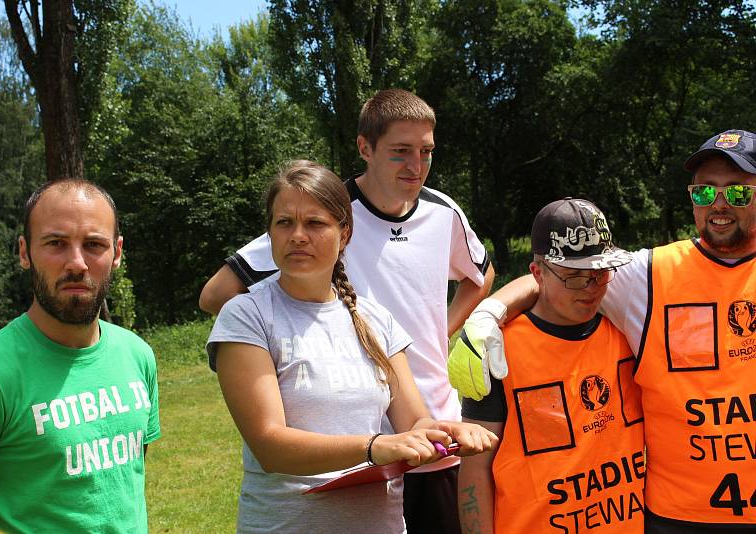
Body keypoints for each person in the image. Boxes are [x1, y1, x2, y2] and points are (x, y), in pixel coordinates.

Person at [200, 89, 493, 531]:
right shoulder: (253, 310)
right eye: (285, 223)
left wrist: (450, 423)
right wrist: (376, 444)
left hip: (397, 474)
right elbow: (270, 443)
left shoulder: (378, 315)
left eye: (426, 151)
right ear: (365, 148)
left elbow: (481, 276)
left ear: (343, 234)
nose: (299, 235)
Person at [453, 129, 756, 532]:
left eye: (737, 193)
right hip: (677, 518)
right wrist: (489, 312)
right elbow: (564, 274)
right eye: (704, 193)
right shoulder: (649, 275)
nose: (718, 205)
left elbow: (573, 272)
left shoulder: (617, 283)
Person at [0, 179, 161, 533]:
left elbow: (123, 482)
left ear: (116, 253)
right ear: (25, 252)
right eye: (56, 243)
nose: (77, 263)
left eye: (94, 244)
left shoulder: (138, 356)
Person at [454, 198, 645, 533]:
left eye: (600, 273)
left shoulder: (626, 326)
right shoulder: (499, 350)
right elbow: (475, 467)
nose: (591, 288)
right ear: (538, 273)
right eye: (575, 276)